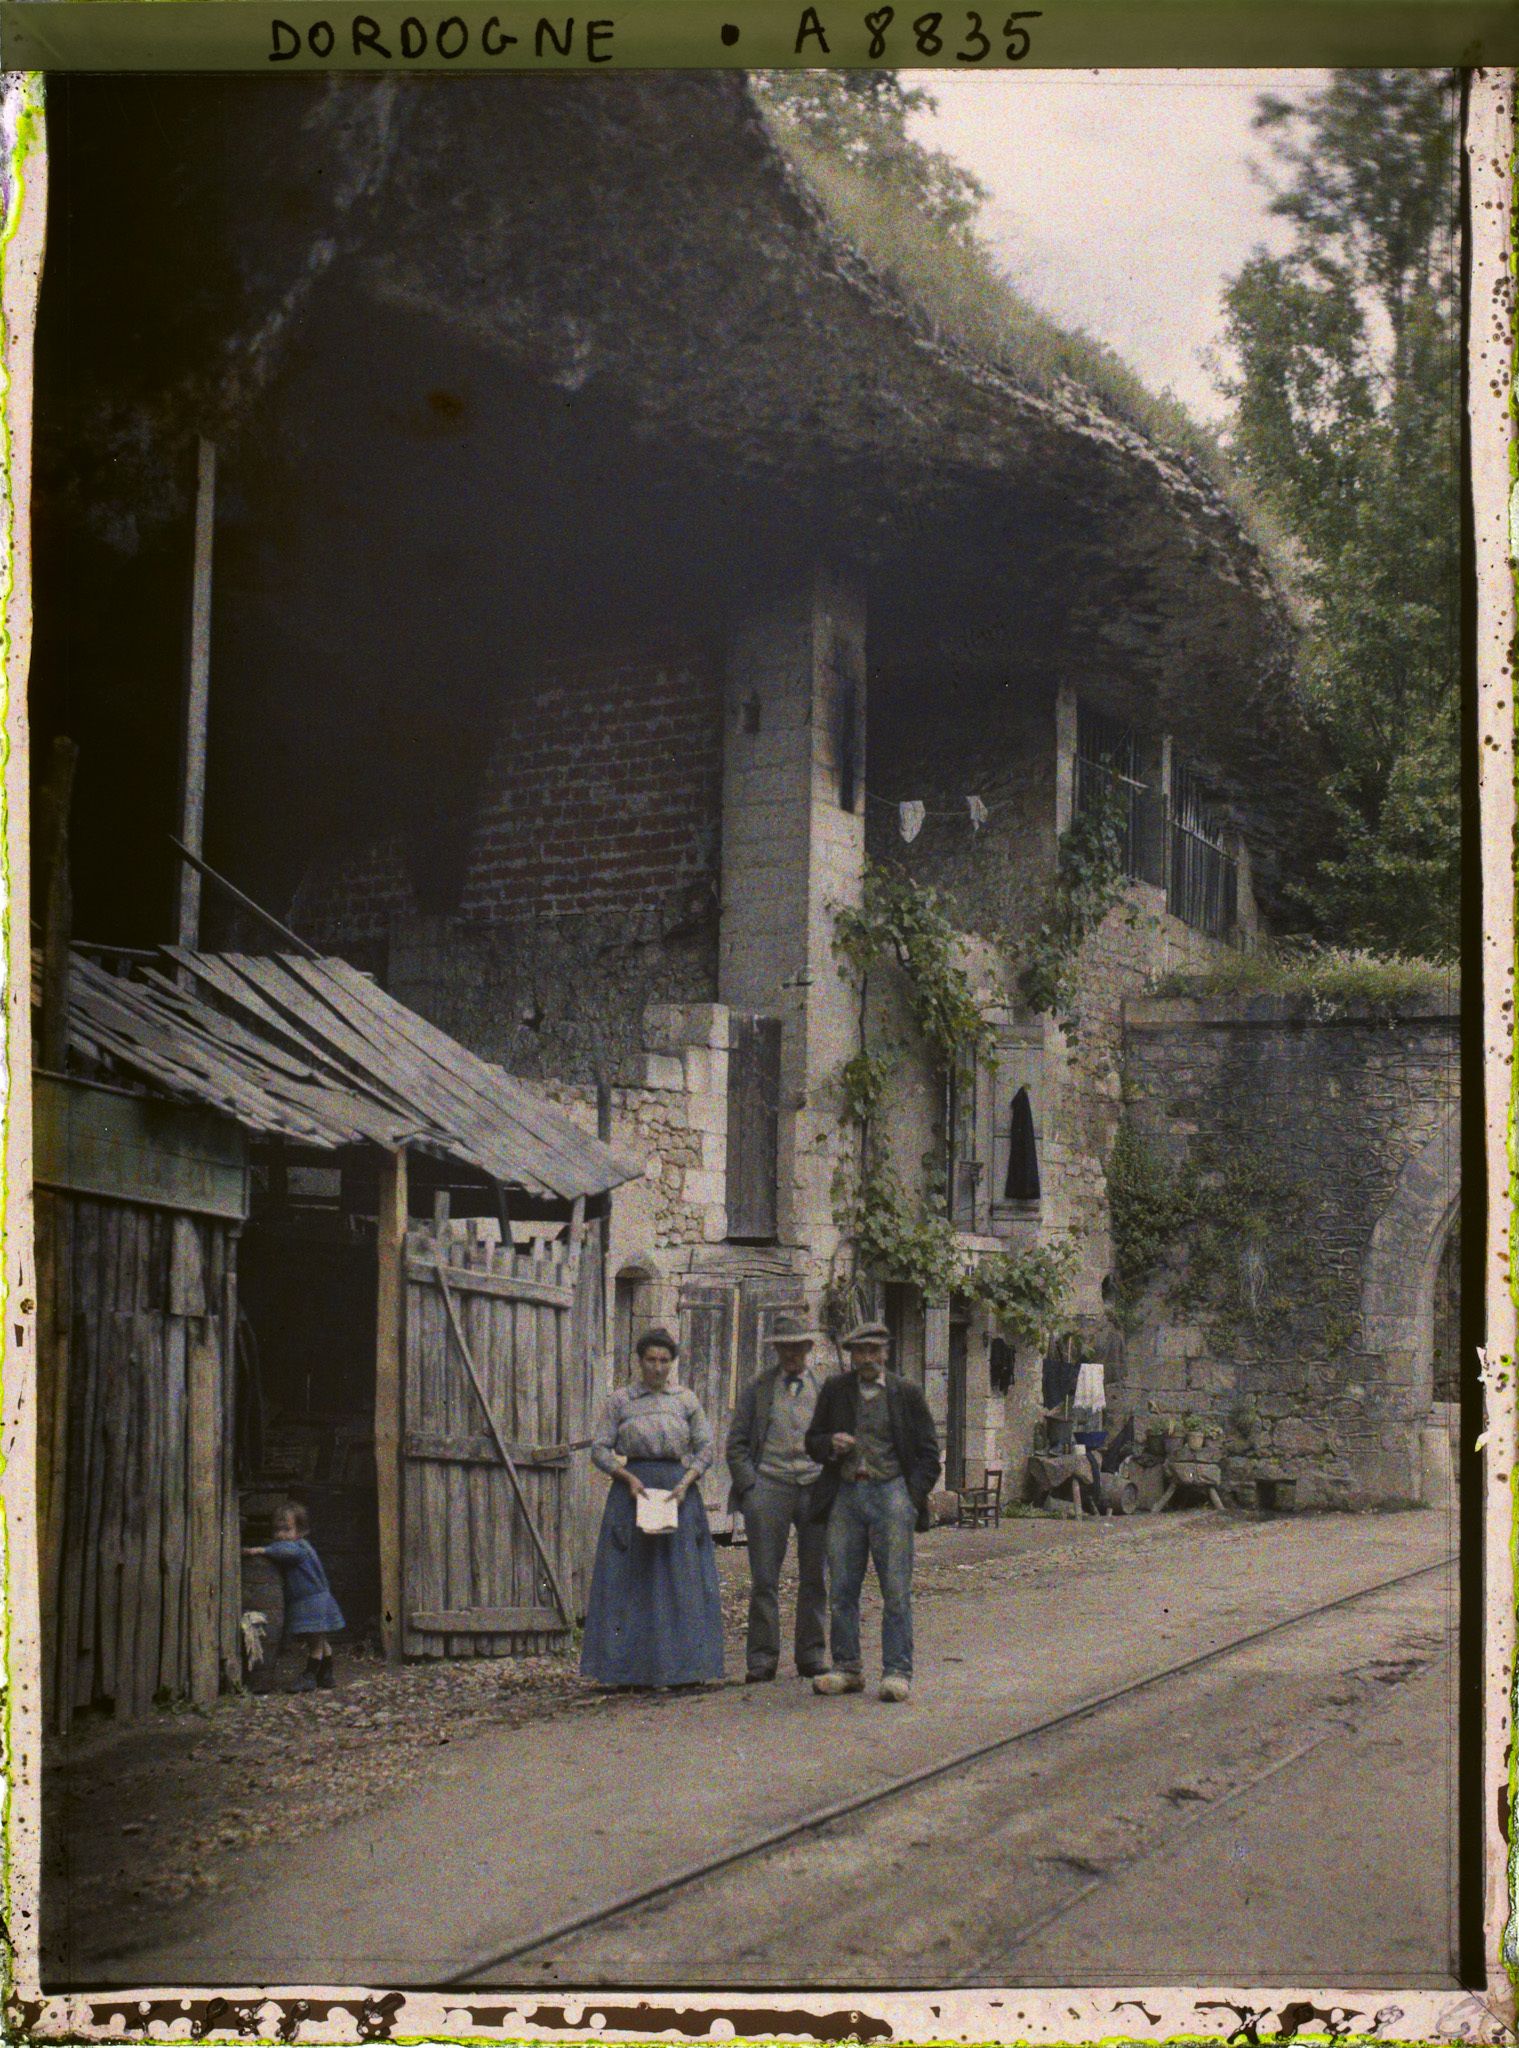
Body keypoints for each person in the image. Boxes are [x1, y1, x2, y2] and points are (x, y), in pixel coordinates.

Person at [580, 1326, 725, 1688]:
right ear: (639, 1361)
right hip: (634, 1493)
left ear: (672, 1363)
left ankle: (684, 1668)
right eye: (651, 1360)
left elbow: (706, 1448)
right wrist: (626, 1478)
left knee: (679, 1578)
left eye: (664, 1361)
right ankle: (629, 1670)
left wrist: (685, 1482)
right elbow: (599, 1448)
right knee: (632, 1577)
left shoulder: (686, 1400)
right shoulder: (621, 1401)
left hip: (677, 1492)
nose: (658, 1368)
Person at [804, 1322, 940, 1704]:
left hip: (891, 1493)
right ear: (850, 1355)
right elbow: (811, 1442)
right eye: (858, 1351)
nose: (866, 1358)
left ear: (886, 1352)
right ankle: (847, 1668)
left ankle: (897, 1671)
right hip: (846, 1494)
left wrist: (911, 1498)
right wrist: (830, 1443)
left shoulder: (907, 1394)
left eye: (873, 1350)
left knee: (895, 1589)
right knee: (842, 1589)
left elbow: (930, 1454)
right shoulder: (835, 1390)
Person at [725, 1313, 831, 1684]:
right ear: (776, 1350)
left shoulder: (824, 1390)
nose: (791, 1353)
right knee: (765, 1579)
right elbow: (736, 1443)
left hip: (814, 1487)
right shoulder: (758, 1389)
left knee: (815, 1576)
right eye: (784, 1346)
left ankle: (812, 1655)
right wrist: (750, 1487)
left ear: (808, 1348)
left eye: (798, 1346)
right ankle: (762, 1659)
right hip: (769, 1487)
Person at [244, 1500, 345, 1692]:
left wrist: (261, 1550)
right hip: (319, 1599)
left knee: (314, 1642)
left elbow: (286, 1551)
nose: (280, 1535)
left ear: (301, 1531)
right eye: (277, 1530)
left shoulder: (298, 1547)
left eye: (286, 1530)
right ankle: (326, 1675)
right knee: (321, 1639)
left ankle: (309, 1676)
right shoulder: (299, 1546)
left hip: (312, 1602)